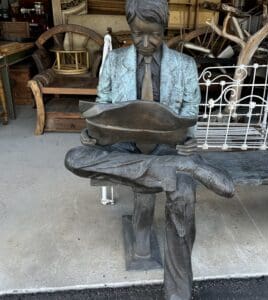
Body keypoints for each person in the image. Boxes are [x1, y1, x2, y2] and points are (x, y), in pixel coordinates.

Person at [67, 1, 233, 299]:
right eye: (137, 34)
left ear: (164, 29)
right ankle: (184, 169)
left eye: (153, 34)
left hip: (168, 149)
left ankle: (178, 292)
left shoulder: (184, 66)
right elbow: (102, 105)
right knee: (75, 157)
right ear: (130, 29)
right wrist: (94, 133)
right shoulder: (115, 62)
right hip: (124, 147)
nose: (145, 42)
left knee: (183, 195)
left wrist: (189, 139)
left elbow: (190, 113)